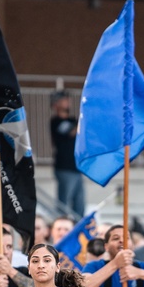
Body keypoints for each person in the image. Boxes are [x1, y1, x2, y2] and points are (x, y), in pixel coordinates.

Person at [50, 91, 85, 219]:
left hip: (76, 167)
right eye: (64, 100)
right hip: (64, 167)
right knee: (63, 203)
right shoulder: (56, 122)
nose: (67, 102)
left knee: (79, 204)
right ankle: (61, 225)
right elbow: (72, 132)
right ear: (56, 104)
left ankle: (77, 229)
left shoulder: (72, 120)